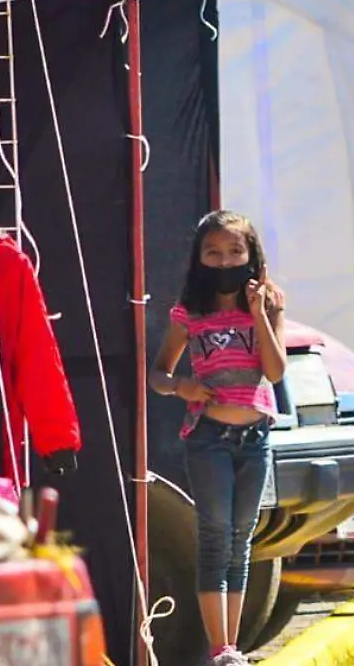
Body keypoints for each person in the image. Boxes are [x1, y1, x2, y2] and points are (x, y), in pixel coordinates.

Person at [148, 211, 287, 666]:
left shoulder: (268, 305)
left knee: (241, 540)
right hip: (209, 438)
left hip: (256, 438)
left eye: (234, 251)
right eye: (213, 252)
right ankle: (221, 649)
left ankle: (233, 646)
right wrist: (181, 387)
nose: (224, 259)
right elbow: (159, 374)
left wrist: (260, 315)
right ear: (199, 258)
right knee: (214, 537)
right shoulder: (189, 313)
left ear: (251, 256)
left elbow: (275, 371)